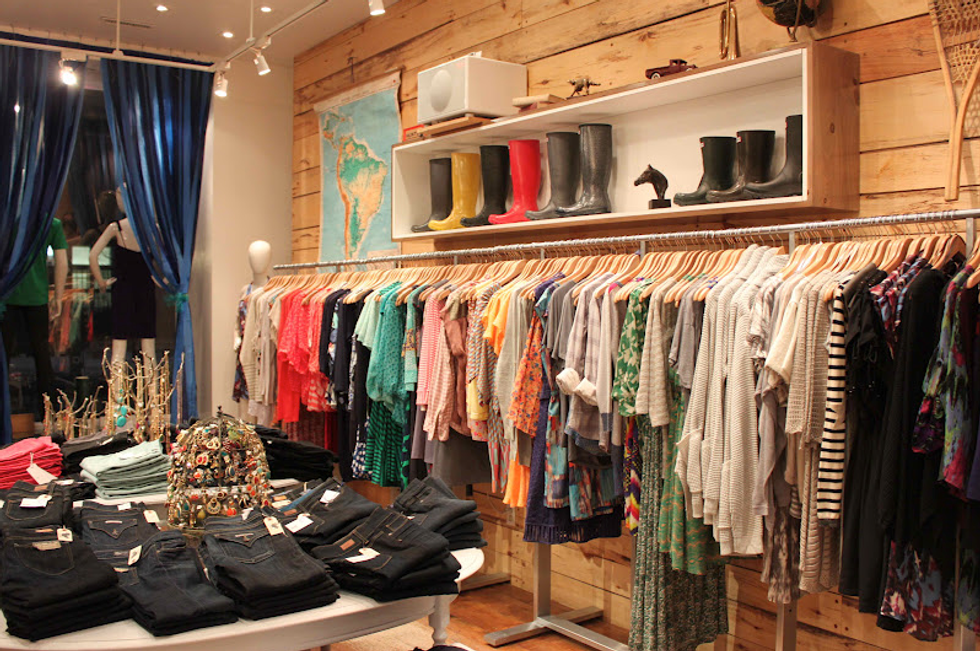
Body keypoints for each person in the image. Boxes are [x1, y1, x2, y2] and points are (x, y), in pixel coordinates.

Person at [1, 217, 69, 413]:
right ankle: (47, 412)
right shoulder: (50, 223)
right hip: (36, 296)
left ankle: (5, 413)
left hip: (7, 294)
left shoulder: (9, 215)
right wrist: (58, 297)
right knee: (41, 355)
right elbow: (62, 261)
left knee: (3, 355)